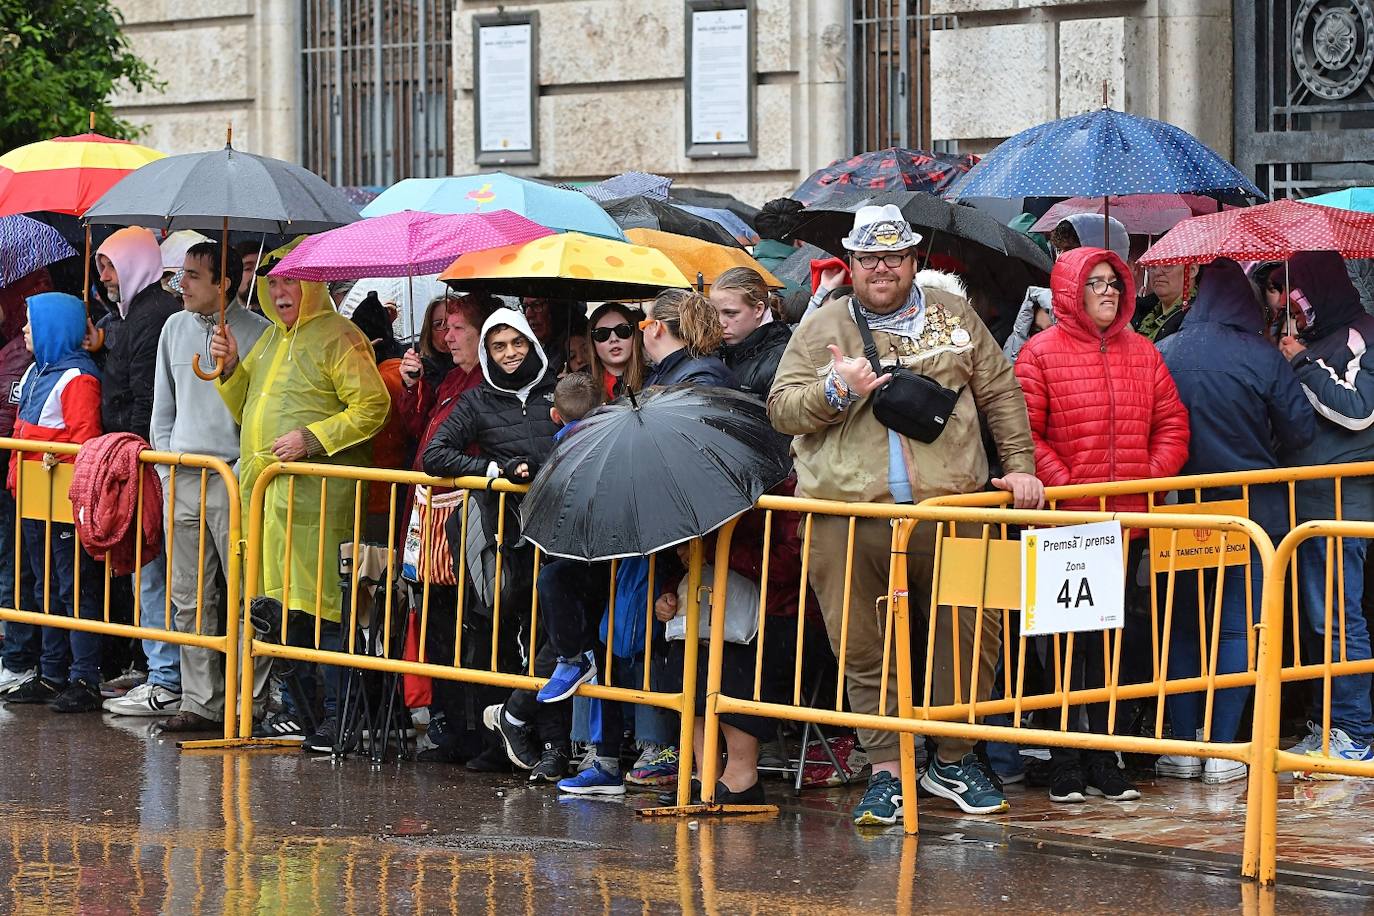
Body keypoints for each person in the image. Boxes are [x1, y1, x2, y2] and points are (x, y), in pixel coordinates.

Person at [769, 204, 1043, 825]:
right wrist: (837, 390)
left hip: (959, 505)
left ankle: (952, 755)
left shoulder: (954, 314)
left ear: (914, 259)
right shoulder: (822, 324)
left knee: (975, 633)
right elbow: (781, 409)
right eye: (869, 259)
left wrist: (1021, 464)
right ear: (853, 263)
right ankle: (888, 770)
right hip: (848, 513)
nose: (882, 269)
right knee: (862, 642)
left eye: (894, 257)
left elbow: (1000, 389)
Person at [1014, 246, 1191, 802]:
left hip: (1124, 524)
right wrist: (1072, 491)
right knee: (1064, 645)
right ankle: (1066, 758)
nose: (1109, 291)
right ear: (1071, 290)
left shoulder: (1144, 352)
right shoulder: (1038, 354)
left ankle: (1104, 753)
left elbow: (1172, 424)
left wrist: (1145, 480)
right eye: (1096, 283)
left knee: (1111, 641)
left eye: (1115, 282)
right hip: (1066, 525)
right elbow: (1025, 436)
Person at [209, 242, 391, 746]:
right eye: (271, 283)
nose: (279, 291)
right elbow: (248, 409)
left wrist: (314, 438)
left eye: (290, 280)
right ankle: (304, 715)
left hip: (321, 503)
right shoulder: (269, 340)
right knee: (278, 611)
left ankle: (339, 715)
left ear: (313, 284)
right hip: (269, 502)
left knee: (327, 609)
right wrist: (228, 369)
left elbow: (372, 407)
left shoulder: (341, 337)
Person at [1156, 259, 1314, 783]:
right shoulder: (1262, 357)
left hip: (1179, 510)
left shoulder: (1164, 351)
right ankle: (1224, 748)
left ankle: (1180, 744)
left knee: (1180, 627)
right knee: (1235, 630)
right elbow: (1300, 433)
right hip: (1251, 513)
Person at [422, 308, 559, 771]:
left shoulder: (557, 389)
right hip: (509, 535)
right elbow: (435, 454)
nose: (510, 354)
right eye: (499, 346)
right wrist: (495, 470)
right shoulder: (478, 400)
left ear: (532, 344)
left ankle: (551, 744)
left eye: (517, 343)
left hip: (561, 531)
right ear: (487, 351)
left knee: (553, 634)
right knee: (510, 633)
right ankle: (509, 740)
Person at [149, 242, 272, 732]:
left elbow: (257, 416)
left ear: (225, 283)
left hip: (234, 478)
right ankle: (200, 701)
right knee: (188, 596)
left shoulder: (260, 334)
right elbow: (163, 408)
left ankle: (250, 700)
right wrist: (164, 469)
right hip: (182, 476)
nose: (184, 284)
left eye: (195, 276)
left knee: (246, 594)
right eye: (182, 274)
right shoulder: (173, 328)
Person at [1277, 250, 1374, 763]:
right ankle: (1328, 722)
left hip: (1344, 504)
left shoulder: (1364, 336)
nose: (1299, 309)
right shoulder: (1321, 340)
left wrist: (1299, 363)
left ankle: (1355, 732)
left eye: (1303, 299)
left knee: (1339, 620)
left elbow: (1359, 412)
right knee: (1318, 622)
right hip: (1311, 503)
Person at [488, 371, 605, 784]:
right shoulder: (597, 446)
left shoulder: (560, 449)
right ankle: (527, 721)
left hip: (561, 560)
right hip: (578, 564)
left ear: (553, 415)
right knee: (564, 651)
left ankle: (520, 715)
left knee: (562, 649)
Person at [93, 226, 184, 717]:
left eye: (110, 266)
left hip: (144, 458)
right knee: (148, 570)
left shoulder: (152, 316)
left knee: (155, 571)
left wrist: (131, 446)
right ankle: (158, 669)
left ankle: (165, 677)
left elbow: (147, 394)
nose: (104, 277)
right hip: (139, 455)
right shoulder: (135, 315)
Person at [3, 293, 105, 712]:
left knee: (72, 587)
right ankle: (51, 673)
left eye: (31, 322)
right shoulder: (36, 372)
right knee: (45, 585)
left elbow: (86, 439)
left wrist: (51, 457)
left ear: (53, 328)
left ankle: (83, 676)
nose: (24, 329)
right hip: (31, 497)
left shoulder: (78, 378)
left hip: (60, 499)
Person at [0, 269, 48, 696]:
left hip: (17, 473)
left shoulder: (21, 354)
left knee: (15, 566)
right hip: (15, 470)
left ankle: (20, 658)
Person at [712, 266, 792, 399]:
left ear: (758, 310)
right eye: (715, 313)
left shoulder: (783, 360)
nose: (721, 323)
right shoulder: (716, 350)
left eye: (731, 313)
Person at [640, 289, 736, 387]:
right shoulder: (664, 371)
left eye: (643, 326)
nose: (642, 331)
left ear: (656, 327)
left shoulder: (701, 377)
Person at [586, 302, 646, 400]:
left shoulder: (655, 379)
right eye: (602, 334)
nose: (614, 339)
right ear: (592, 342)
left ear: (635, 336)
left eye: (623, 330)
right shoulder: (580, 386)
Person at [1135, 261, 1198, 344]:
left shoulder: (1200, 317)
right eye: (1153, 266)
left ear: (1192, 270)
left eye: (1167, 265)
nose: (1157, 272)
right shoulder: (1139, 310)